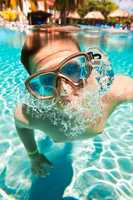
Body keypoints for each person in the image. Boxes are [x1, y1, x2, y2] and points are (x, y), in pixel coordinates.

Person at [14, 26, 133, 177]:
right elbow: (21, 126)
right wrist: (33, 155)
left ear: (87, 65)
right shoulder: (32, 115)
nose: (64, 90)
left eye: (71, 69)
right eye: (46, 80)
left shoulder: (114, 92)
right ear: (36, 88)